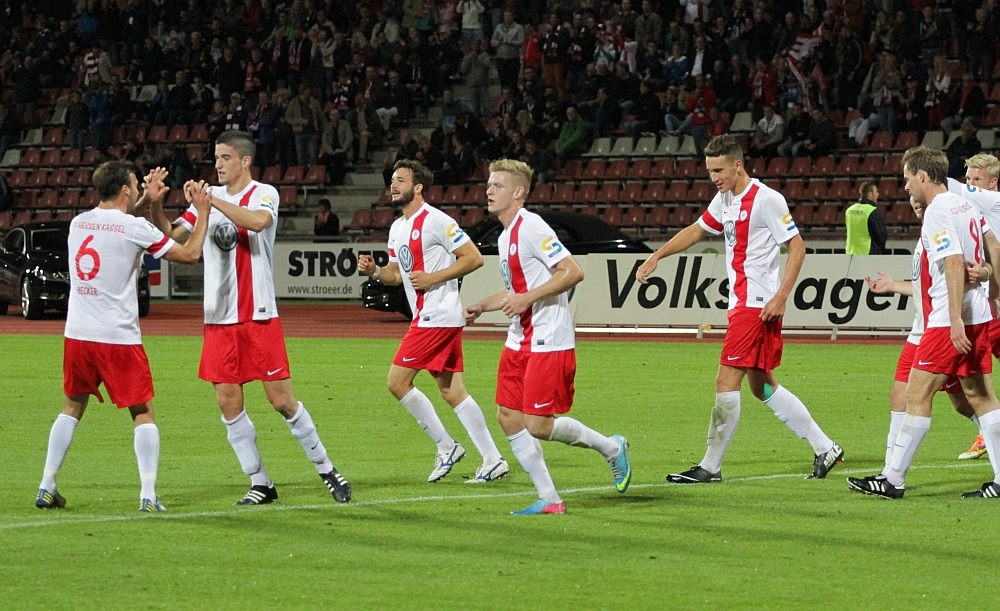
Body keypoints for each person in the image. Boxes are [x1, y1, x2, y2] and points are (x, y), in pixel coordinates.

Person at [149, 130, 352, 505]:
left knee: (282, 401)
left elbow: (258, 222)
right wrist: (156, 206)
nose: (218, 164)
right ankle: (261, 482)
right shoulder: (207, 199)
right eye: (216, 158)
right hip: (218, 318)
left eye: (225, 157)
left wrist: (211, 202)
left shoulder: (263, 193)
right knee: (228, 403)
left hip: (258, 315)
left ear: (245, 161)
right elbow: (172, 238)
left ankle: (327, 469)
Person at [636, 134, 844, 483]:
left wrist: (782, 296)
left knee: (725, 380)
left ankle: (710, 466)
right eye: (709, 171)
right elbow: (697, 230)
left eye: (718, 170)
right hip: (743, 305)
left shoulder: (767, 199)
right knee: (763, 387)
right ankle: (826, 447)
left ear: (738, 165)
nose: (713, 177)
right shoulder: (725, 198)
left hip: (756, 305)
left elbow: (797, 246)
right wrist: (658, 255)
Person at [35, 163, 211, 512]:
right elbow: (190, 254)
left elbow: (117, 222)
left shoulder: (79, 223)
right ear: (126, 189)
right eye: (135, 183)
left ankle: (46, 485)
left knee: (71, 408)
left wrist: (148, 200)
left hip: (78, 334)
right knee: (142, 412)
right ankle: (148, 494)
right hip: (117, 337)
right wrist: (202, 212)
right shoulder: (134, 228)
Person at [464, 158, 632, 515]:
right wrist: (482, 305)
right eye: (489, 184)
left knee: (538, 425)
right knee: (508, 416)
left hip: (548, 340)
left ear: (518, 193)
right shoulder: (506, 235)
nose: (489, 191)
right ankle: (551, 499)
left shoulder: (531, 227)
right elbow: (517, 289)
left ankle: (612, 448)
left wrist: (526, 299)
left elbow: (572, 272)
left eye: (498, 185)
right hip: (519, 339)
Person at [849, 147, 1000, 499]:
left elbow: (953, 263)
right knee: (980, 397)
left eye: (907, 179)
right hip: (978, 314)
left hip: (949, 320)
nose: (905, 187)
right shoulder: (965, 205)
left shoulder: (938, 210)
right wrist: (992, 288)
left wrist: (954, 320)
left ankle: (892, 480)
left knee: (915, 395)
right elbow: (993, 243)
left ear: (922, 176)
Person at [357, 160, 508, 484]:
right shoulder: (397, 228)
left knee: (397, 382)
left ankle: (446, 446)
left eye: (400, 180)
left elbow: (474, 258)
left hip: (436, 316)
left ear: (418, 187)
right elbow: (396, 275)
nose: (393, 185)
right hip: (432, 317)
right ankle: (493, 459)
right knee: (452, 391)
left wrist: (433, 277)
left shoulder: (437, 221)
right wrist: (375, 271)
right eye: (392, 180)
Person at [845, 181, 888, 255]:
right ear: (870, 194)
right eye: (876, 192)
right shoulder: (872, 211)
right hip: (867, 253)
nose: (878, 194)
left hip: (850, 253)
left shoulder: (849, 210)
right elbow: (881, 235)